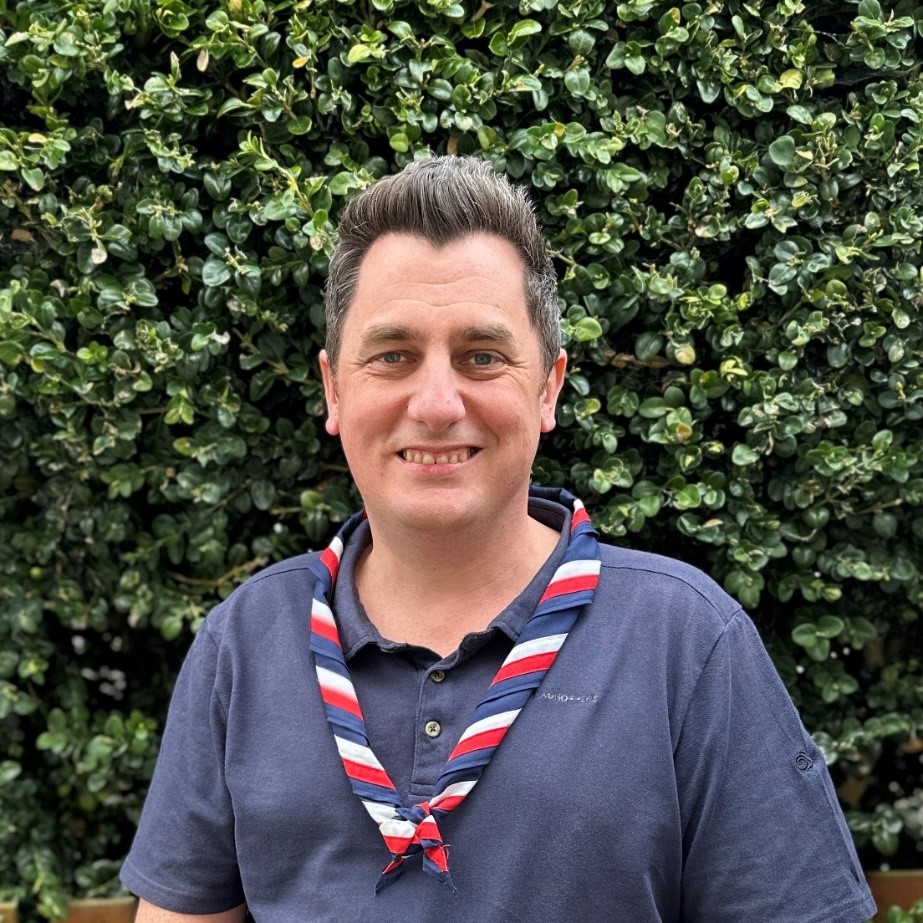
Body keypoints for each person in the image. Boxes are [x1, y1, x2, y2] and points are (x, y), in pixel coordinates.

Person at [121, 156, 876, 923]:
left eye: (481, 356)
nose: (438, 402)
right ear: (334, 389)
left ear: (547, 385)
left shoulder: (683, 640)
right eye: (393, 356)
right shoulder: (245, 641)